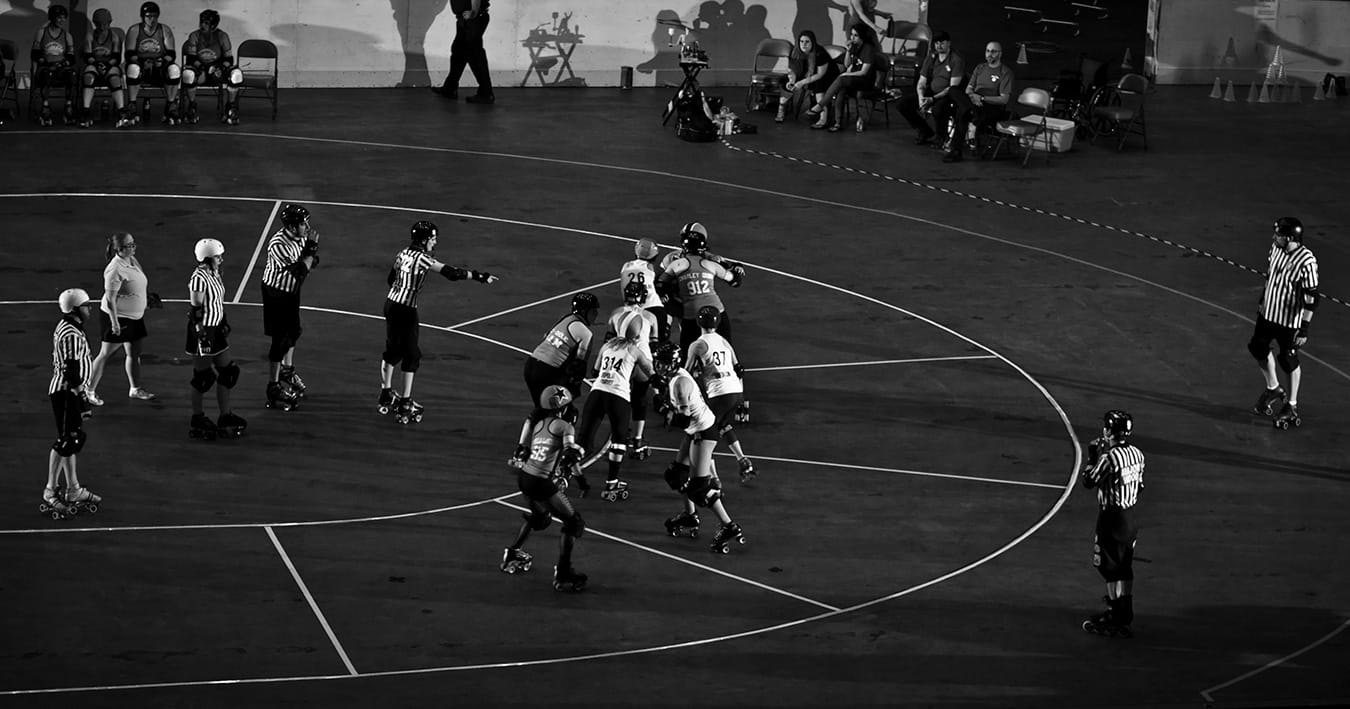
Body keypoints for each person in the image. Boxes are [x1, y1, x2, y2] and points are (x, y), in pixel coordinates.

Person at [379, 220, 498, 424]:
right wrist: (478, 276)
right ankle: (406, 402)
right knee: (411, 356)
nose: (435, 243)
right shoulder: (423, 258)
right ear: (424, 240)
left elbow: (391, 279)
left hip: (390, 304)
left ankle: (386, 393)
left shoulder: (402, 253)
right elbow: (451, 273)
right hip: (406, 309)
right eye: (433, 239)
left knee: (392, 351)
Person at [653, 342, 745, 554]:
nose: (658, 366)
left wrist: (666, 414)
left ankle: (729, 526)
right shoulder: (676, 377)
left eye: (661, 363)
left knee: (698, 487)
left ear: (671, 364)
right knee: (676, 476)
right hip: (695, 430)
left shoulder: (680, 383)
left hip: (703, 432)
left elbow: (683, 420)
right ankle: (690, 516)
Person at [501, 385, 589, 592]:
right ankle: (564, 573)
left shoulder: (540, 424)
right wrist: (581, 480)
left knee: (539, 517)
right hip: (541, 482)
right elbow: (569, 455)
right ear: (564, 407)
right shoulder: (565, 427)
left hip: (525, 478)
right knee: (574, 523)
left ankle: (513, 552)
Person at [1248, 217, 1320, 428]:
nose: (1274, 237)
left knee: (1288, 360)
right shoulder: (1276, 249)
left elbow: (1312, 298)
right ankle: (1273, 387)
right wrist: (1263, 300)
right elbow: (1270, 277)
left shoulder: (1306, 261)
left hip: (1289, 321)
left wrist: (1304, 329)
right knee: (1257, 347)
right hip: (1268, 314)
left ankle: (1291, 404)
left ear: (1289, 238)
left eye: (1278, 235)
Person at [574, 316, 653, 502]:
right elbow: (650, 373)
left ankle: (565, 467)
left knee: (584, 440)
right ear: (639, 334)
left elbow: (595, 371)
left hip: (597, 393)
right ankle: (612, 481)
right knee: (619, 439)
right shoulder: (635, 349)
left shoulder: (607, 345)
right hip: (618, 396)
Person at [1080, 410, 1145, 637]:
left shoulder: (1109, 458)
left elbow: (1089, 481)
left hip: (1112, 517)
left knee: (1107, 566)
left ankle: (1115, 612)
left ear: (1108, 430)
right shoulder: (1137, 453)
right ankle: (1124, 613)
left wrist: (1092, 457)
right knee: (1124, 565)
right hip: (1131, 515)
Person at [42, 288, 102, 520]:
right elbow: (71, 371)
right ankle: (50, 489)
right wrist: (83, 400)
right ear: (76, 309)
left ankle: (73, 488)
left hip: (70, 392)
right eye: (86, 305)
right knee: (67, 440)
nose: (89, 309)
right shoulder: (70, 333)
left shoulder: (72, 327)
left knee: (72, 438)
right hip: (67, 393)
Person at [685, 306, 756, 481]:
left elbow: (686, 373)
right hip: (735, 391)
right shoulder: (724, 341)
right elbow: (739, 369)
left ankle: (713, 477)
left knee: (702, 432)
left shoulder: (698, 345)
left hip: (719, 393)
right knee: (723, 424)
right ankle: (742, 459)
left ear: (698, 322)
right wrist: (743, 396)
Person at [88, 232, 159, 405]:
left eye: (134, 243)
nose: (134, 247)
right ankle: (88, 391)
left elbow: (138, 283)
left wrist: (145, 298)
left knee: (134, 353)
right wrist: (115, 323)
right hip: (119, 318)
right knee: (105, 354)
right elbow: (110, 299)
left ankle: (135, 389)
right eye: (130, 245)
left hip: (135, 317)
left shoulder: (132, 260)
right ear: (119, 249)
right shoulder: (115, 270)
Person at [261, 203, 320, 412]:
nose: (307, 226)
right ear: (292, 227)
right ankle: (273, 386)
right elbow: (301, 271)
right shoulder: (278, 244)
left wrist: (310, 255)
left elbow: (311, 263)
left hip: (292, 290)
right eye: (303, 223)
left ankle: (286, 371)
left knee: (294, 332)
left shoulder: (301, 237)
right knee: (280, 339)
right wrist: (311, 251)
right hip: (276, 293)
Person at [186, 238, 246, 439]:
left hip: (216, 329)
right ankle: (197, 418)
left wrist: (224, 321)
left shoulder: (215, 274)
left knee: (229, 372)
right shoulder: (199, 277)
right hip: (204, 332)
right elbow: (196, 310)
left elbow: (218, 302)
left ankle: (225, 415)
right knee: (203, 378)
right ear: (207, 258)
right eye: (218, 256)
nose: (221, 259)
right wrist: (201, 335)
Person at [656, 222, 745, 354]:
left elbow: (659, 283)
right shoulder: (708, 261)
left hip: (686, 304)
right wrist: (737, 267)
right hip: (701, 305)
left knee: (687, 349)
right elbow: (734, 279)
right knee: (725, 347)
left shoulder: (674, 260)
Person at [605, 280, 661, 461]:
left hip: (622, 358)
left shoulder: (615, 313)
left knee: (619, 398)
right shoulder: (650, 317)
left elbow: (609, 341)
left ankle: (617, 436)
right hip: (643, 357)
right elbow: (655, 345)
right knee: (640, 399)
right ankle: (637, 441)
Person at [524, 292, 598, 407]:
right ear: (584, 311)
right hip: (547, 371)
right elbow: (578, 366)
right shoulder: (586, 333)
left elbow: (546, 336)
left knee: (540, 409)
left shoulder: (565, 318)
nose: (596, 314)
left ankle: (531, 424)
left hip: (531, 364)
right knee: (558, 409)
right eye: (594, 311)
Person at [944, 41, 1014, 163]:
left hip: (990, 106)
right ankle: (971, 110)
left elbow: (1004, 99)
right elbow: (968, 89)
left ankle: (956, 151)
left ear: (1000, 54)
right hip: (973, 102)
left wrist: (982, 98)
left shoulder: (1005, 72)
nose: (990, 54)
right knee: (953, 89)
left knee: (962, 112)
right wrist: (973, 96)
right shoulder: (980, 68)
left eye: (993, 51)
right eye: (987, 51)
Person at [808, 24, 879, 132]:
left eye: (856, 35)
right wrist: (848, 51)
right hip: (852, 79)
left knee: (841, 79)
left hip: (865, 80)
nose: (852, 38)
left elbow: (864, 72)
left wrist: (846, 74)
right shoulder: (854, 47)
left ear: (862, 36)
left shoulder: (868, 49)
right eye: (851, 35)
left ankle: (821, 105)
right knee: (841, 89)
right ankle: (838, 123)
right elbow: (847, 65)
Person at [898, 30, 964, 148]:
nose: (939, 46)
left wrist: (933, 99)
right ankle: (924, 130)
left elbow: (952, 88)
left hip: (947, 95)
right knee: (903, 104)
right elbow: (922, 81)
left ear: (949, 43)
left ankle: (941, 137)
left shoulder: (956, 60)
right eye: (936, 43)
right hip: (931, 91)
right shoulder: (932, 57)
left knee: (938, 109)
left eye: (942, 43)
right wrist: (921, 98)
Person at [181, 9, 244, 125]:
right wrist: (204, 67)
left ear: (213, 25)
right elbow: (190, 59)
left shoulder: (222, 36)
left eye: (205, 23)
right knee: (188, 75)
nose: (202, 25)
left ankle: (230, 106)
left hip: (217, 69)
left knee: (236, 75)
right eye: (201, 22)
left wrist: (218, 67)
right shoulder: (194, 35)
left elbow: (229, 59)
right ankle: (192, 105)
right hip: (201, 70)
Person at [124, 1, 182, 125]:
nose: (152, 19)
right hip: (141, 66)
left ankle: (171, 105)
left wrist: (161, 61)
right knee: (132, 69)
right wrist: (143, 62)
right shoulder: (134, 30)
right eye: (149, 16)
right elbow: (129, 54)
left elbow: (171, 54)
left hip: (159, 66)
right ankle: (132, 105)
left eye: (155, 16)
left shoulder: (164, 30)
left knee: (175, 70)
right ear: (143, 17)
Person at [432, 0, 494, 104]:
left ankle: (486, 93)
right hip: (466, 20)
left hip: (473, 18)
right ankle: (449, 88)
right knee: (458, 53)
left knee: (475, 56)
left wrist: (473, 13)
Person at [80, 8, 130, 129]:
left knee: (115, 79)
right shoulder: (90, 35)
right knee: (88, 78)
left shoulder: (114, 36)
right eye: (99, 24)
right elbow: (87, 56)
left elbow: (116, 57)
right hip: (94, 64)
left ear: (109, 23)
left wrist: (105, 66)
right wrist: (98, 65)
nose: (102, 27)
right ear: (95, 23)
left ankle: (121, 111)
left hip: (110, 65)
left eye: (105, 24)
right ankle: (85, 111)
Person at [775, 30, 840, 124]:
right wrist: (792, 81)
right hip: (809, 75)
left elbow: (820, 74)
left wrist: (801, 83)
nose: (804, 44)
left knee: (819, 83)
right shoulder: (796, 52)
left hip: (827, 77)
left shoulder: (819, 53)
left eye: (807, 42)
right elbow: (793, 70)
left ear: (812, 42)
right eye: (801, 41)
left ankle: (823, 117)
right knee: (785, 80)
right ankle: (781, 108)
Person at [31, 4, 78, 127]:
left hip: (61, 67)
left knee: (71, 74)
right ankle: (45, 106)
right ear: (52, 18)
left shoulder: (67, 36)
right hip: (46, 66)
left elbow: (71, 58)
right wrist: (45, 62)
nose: (62, 20)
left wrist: (62, 64)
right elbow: (35, 54)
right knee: (47, 74)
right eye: (59, 17)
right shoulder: (42, 33)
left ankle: (68, 106)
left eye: (64, 18)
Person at [619, 238, 670, 342]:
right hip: (654, 308)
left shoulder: (626, 266)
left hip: (631, 309)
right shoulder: (650, 266)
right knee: (659, 342)